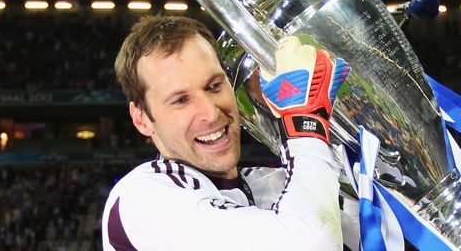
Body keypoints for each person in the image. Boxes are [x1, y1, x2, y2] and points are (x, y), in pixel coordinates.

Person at [102, 15, 353, 250]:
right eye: (181, 100)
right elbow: (310, 244)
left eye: (214, 86)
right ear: (142, 119)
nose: (211, 113)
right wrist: (305, 120)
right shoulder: (144, 198)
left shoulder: (267, 185)